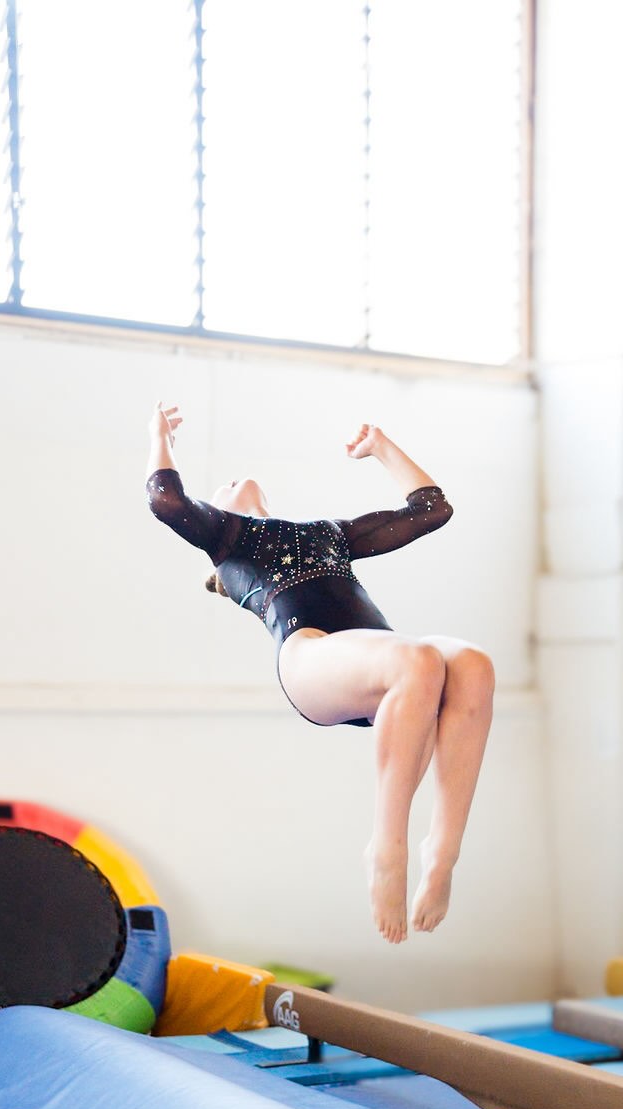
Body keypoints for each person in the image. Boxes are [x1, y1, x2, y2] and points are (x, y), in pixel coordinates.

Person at [146, 401, 495, 945]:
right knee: (418, 657)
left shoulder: (326, 532)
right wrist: (158, 438)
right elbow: (166, 500)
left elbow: (432, 510)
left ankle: (442, 851)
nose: (231, 481)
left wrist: (381, 446)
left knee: (471, 663)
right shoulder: (228, 539)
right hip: (309, 657)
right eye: (219, 489)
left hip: (381, 664)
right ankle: (387, 848)